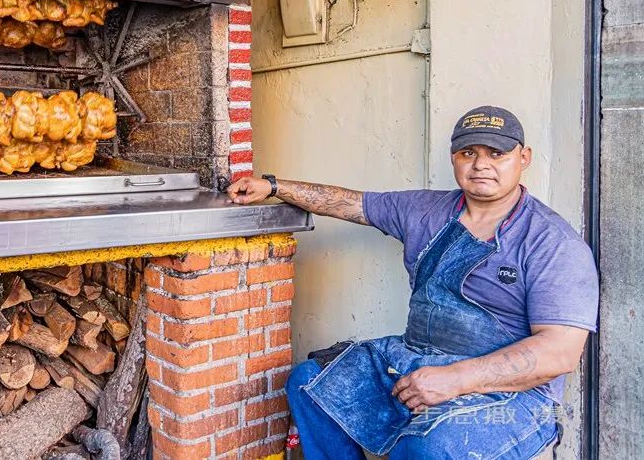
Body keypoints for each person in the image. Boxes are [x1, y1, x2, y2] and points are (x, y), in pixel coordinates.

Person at [227, 106, 598, 459]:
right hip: (417, 357)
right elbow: (348, 203)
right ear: (454, 157)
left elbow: (558, 352)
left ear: (524, 157)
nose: (481, 164)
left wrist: (455, 380)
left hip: (514, 398)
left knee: (428, 447)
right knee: (311, 383)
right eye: (468, 152)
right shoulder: (425, 210)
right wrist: (274, 186)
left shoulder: (553, 243)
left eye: (497, 153)